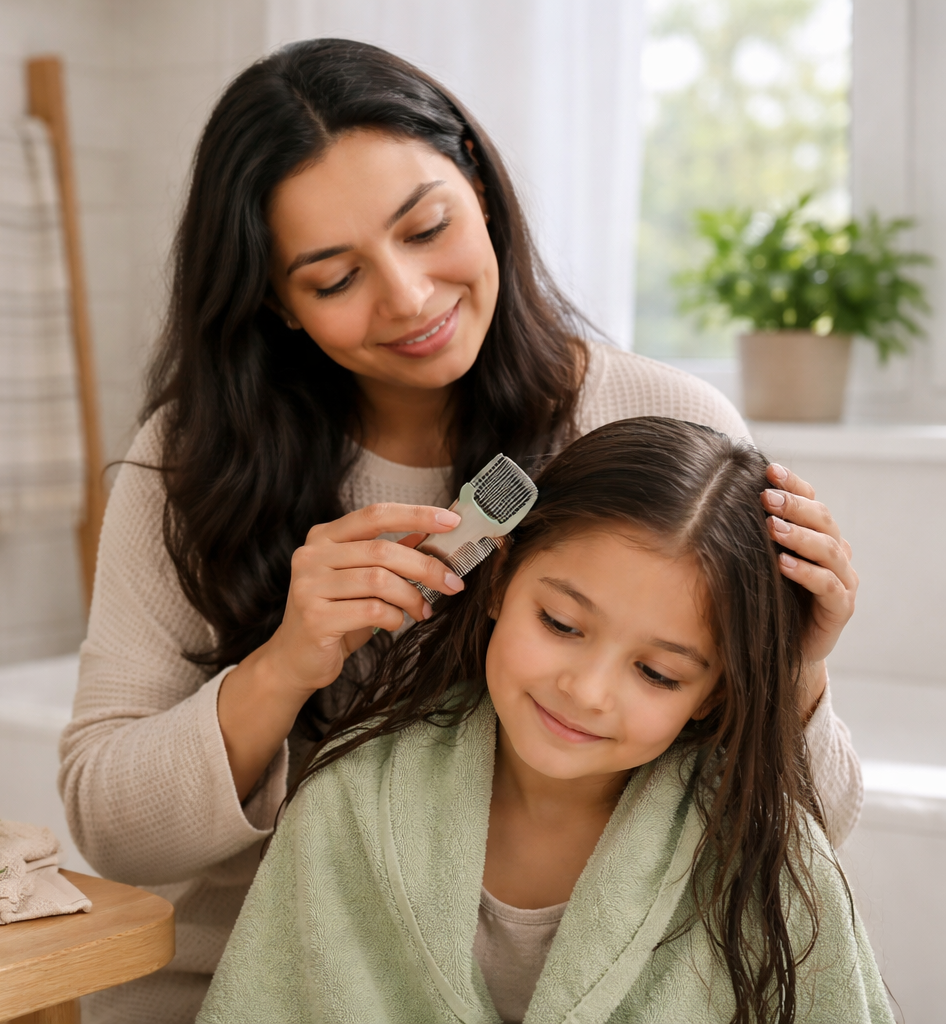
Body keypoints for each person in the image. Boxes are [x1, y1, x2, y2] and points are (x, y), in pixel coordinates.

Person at [59, 39, 863, 1023]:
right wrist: (286, 663)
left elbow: (807, 832)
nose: (406, 295)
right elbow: (112, 829)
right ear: (277, 301)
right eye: (333, 276)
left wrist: (792, 665)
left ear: (480, 185)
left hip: (585, 991)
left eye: (425, 226)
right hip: (263, 974)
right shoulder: (193, 462)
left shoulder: (658, 424)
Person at [196, 417, 890, 1024]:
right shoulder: (354, 801)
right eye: (561, 624)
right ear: (498, 581)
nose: (587, 691)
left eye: (658, 673)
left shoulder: (762, 851)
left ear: (712, 693)